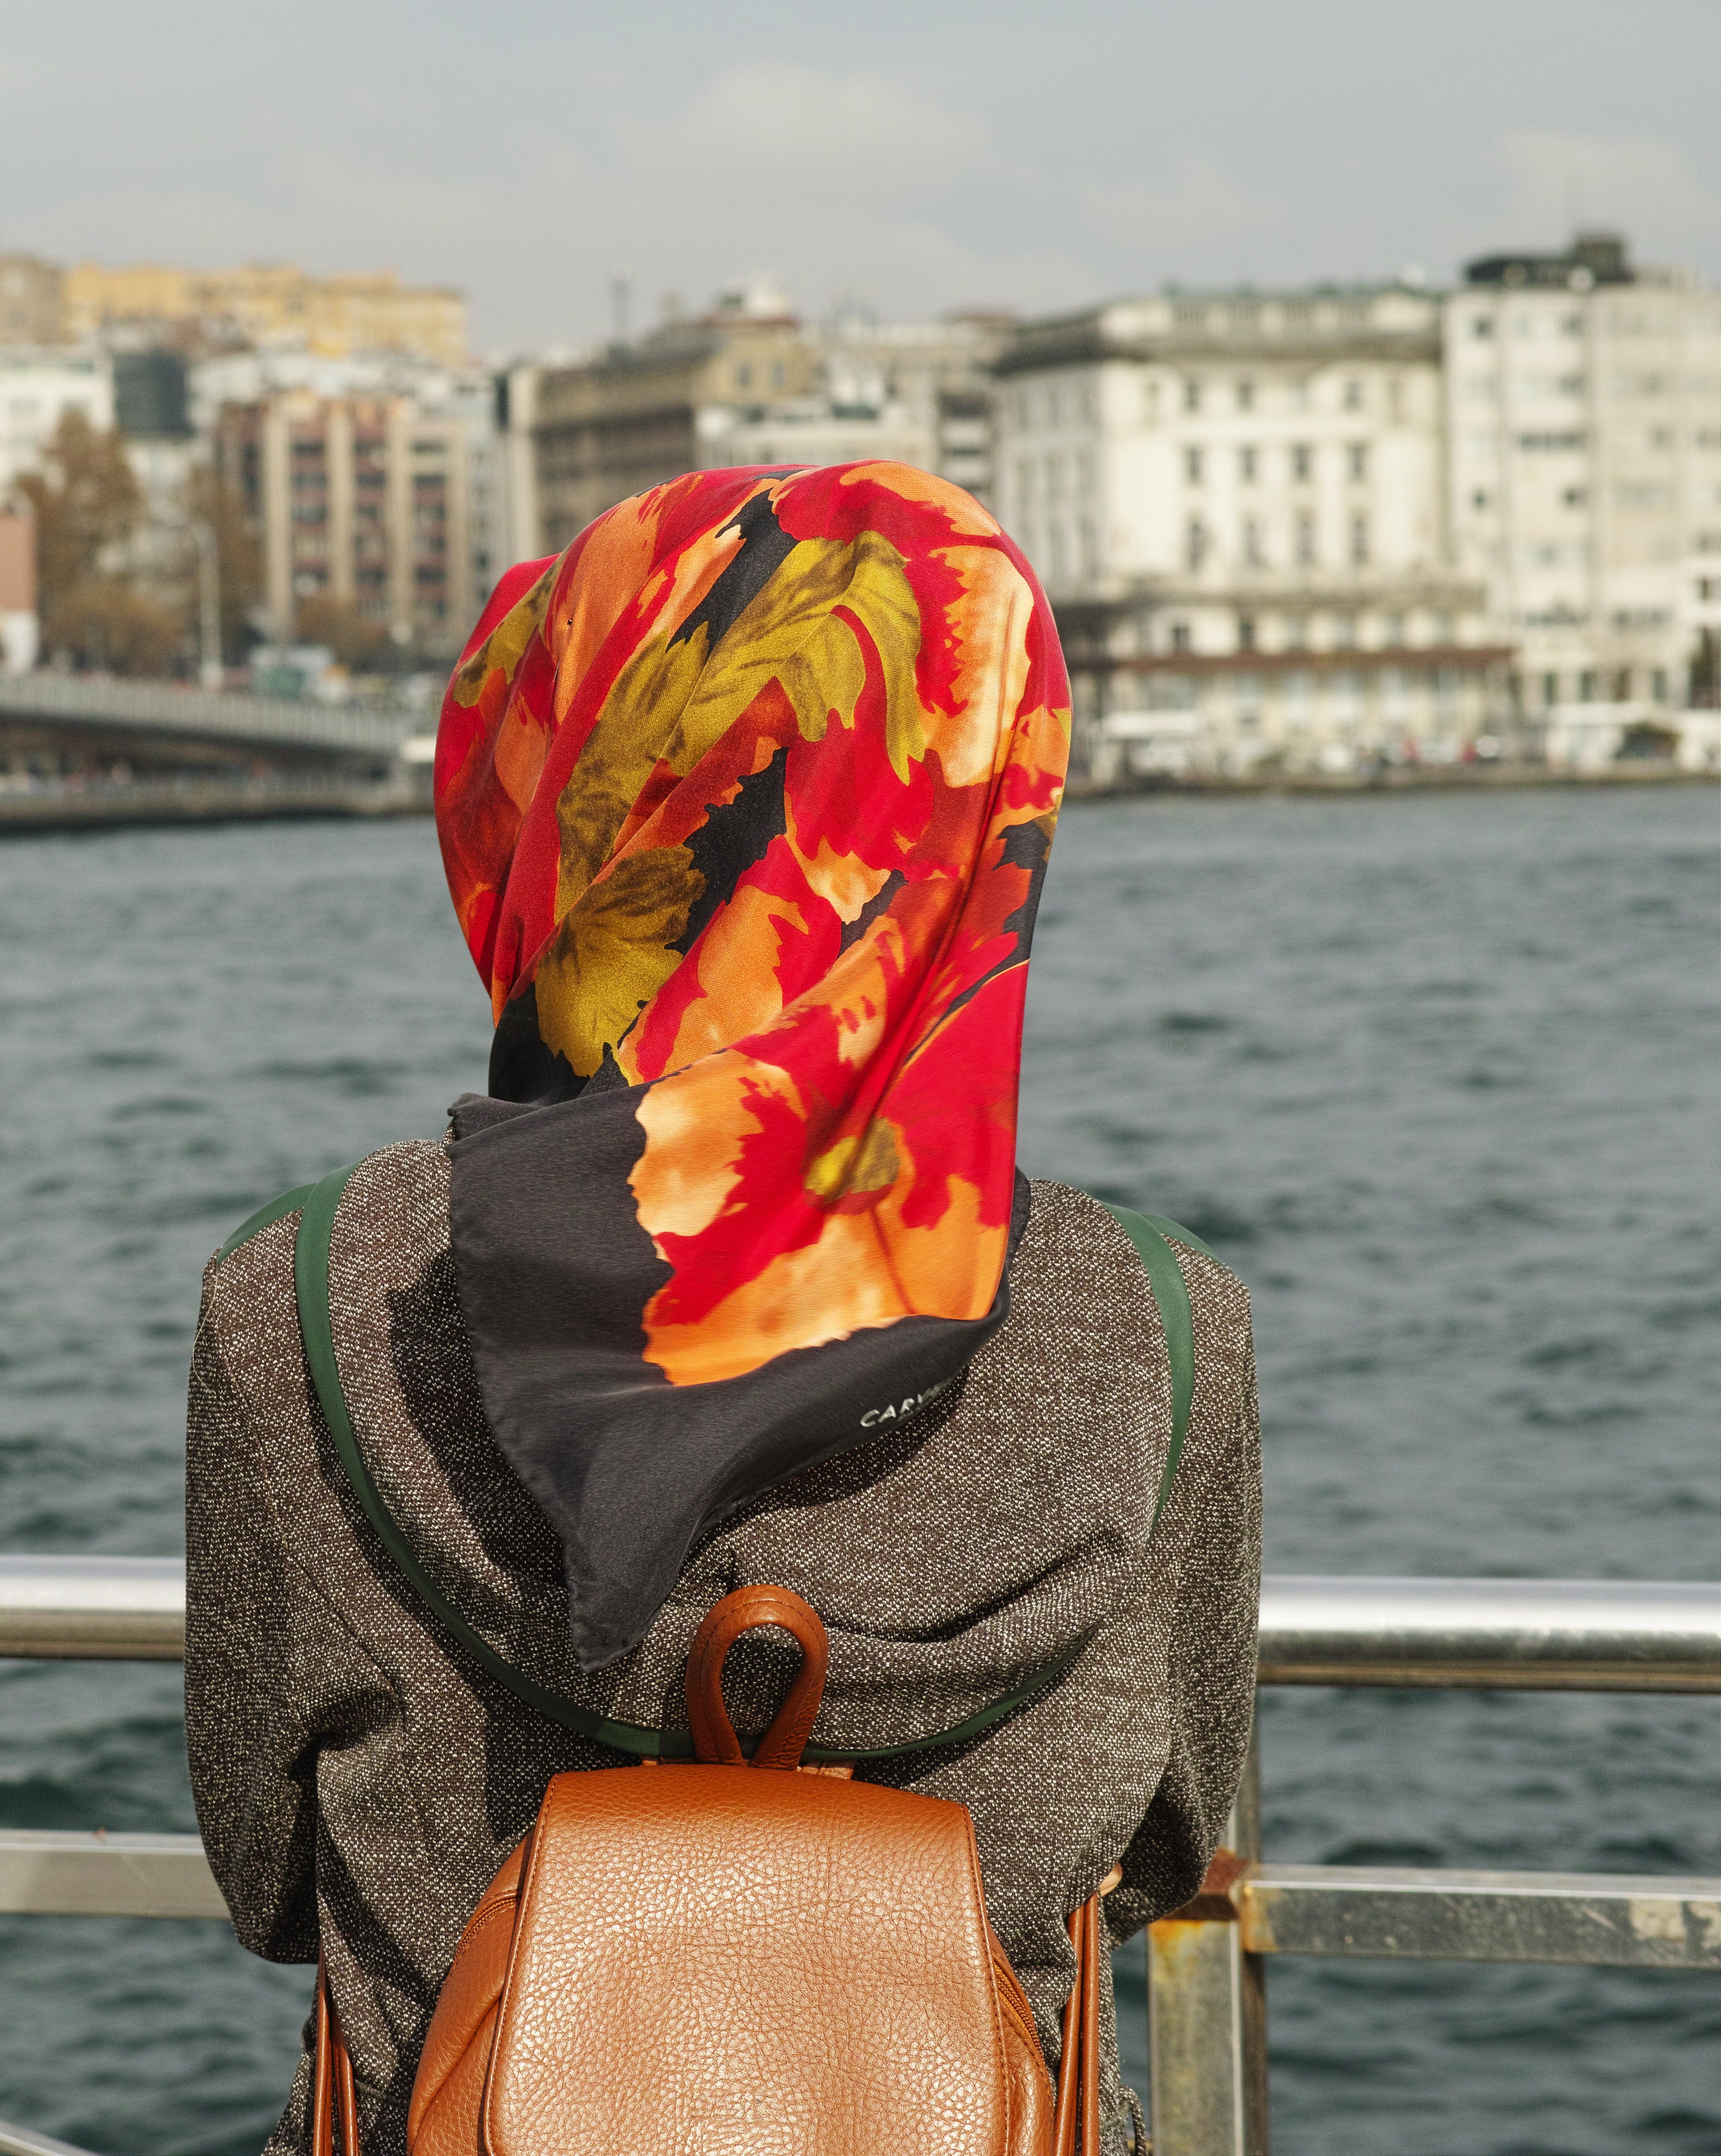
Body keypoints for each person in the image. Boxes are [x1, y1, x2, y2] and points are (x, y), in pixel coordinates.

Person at [185, 462, 1258, 2156]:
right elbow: (1171, 1849)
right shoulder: (1163, 1327)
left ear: (591, 793)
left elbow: (264, 1874)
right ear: (979, 811)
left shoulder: (307, 1299)